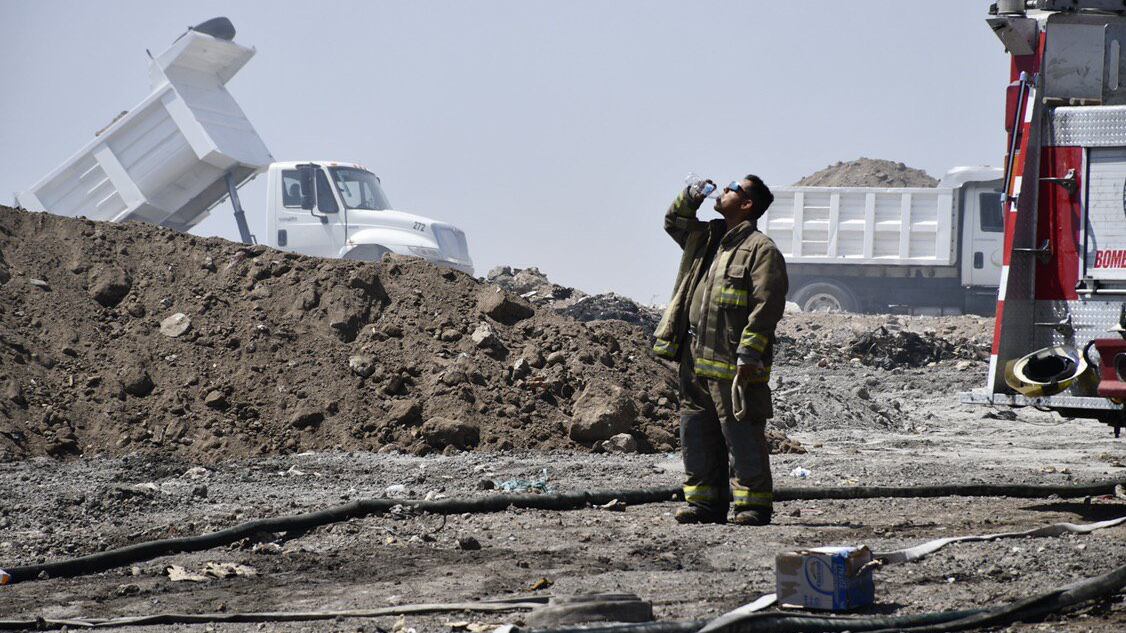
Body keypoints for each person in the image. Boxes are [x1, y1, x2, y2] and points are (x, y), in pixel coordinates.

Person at [653, 175, 788, 526]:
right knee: (695, 432)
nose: (723, 190)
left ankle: (753, 505)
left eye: (732, 188)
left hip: (733, 362)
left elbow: (766, 307)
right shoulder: (708, 237)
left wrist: (749, 353)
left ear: (747, 204)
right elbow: (674, 222)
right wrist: (690, 196)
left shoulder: (761, 250)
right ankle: (704, 503)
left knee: (741, 434)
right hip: (695, 356)